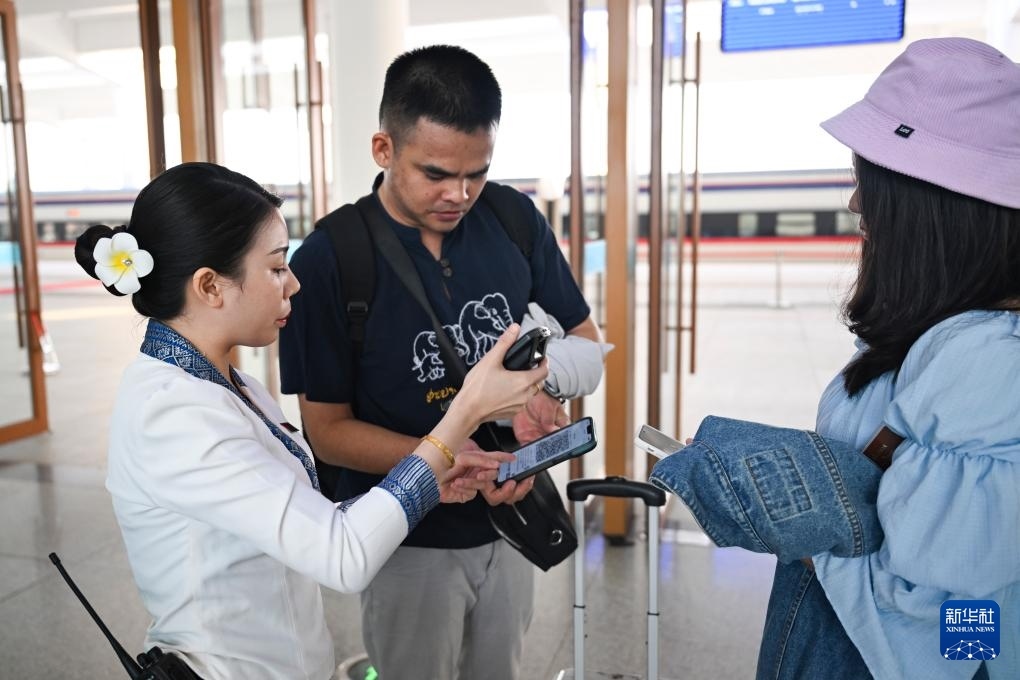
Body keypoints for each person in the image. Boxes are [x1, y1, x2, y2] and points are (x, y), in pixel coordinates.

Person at [74, 161, 548, 680]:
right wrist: (466, 412)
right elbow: (341, 556)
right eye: (277, 267)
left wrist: (432, 482)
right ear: (210, 286)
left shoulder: (227, 384)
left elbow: (299, 520)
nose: (294, 284)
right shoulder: (171, 414)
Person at [650, 37, 1019, 679]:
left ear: (929, 211)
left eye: (867, 185)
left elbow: (961, 604)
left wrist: (796, 525)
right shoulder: (938, 331)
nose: (855, 205)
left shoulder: (984, 360)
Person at [279, 44, 606, 680]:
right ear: (384, 149)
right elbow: (328, 432)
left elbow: (583, 338)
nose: (459, 194)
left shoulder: (512, 219)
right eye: (435, 174)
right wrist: (446, 461)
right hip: (405, 536)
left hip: (511, 518)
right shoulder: (329, 260)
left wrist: (542, 398)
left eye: (476, 173)